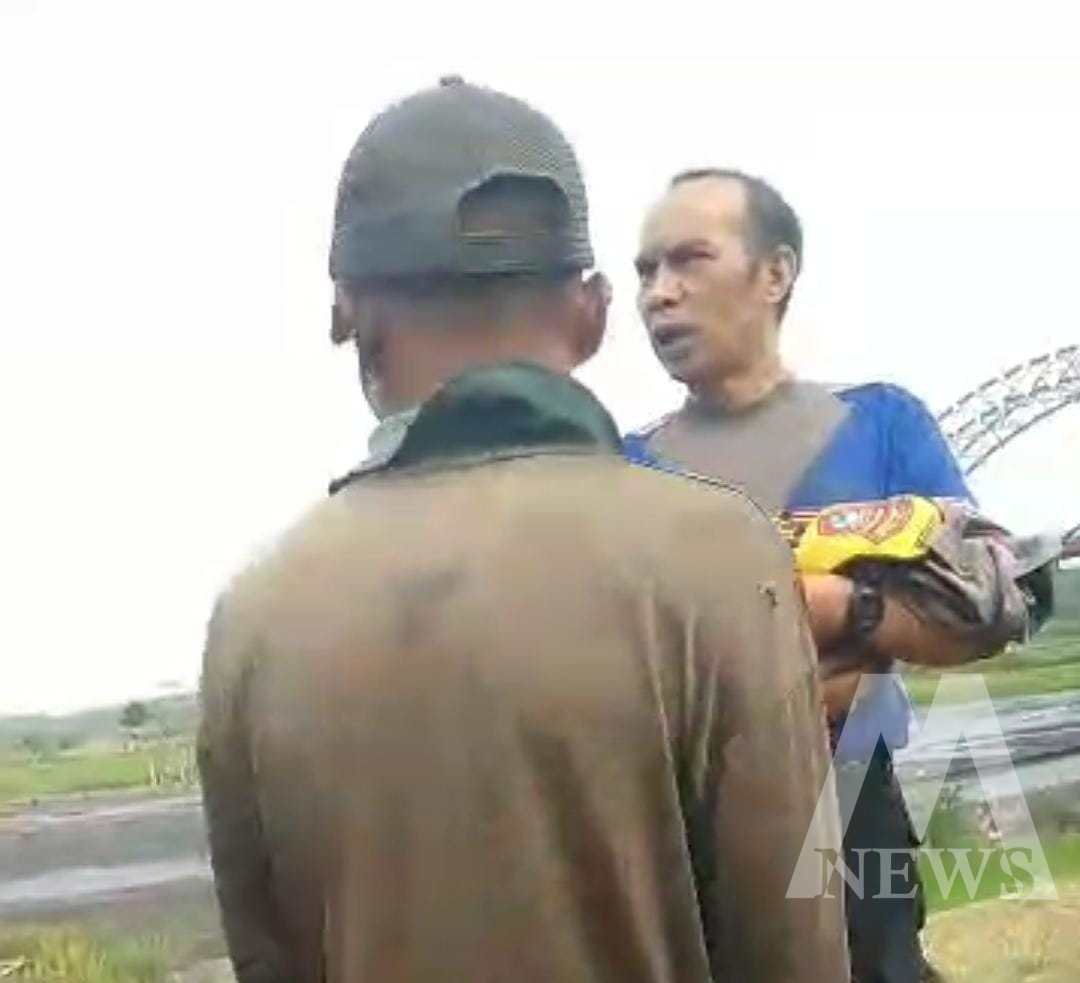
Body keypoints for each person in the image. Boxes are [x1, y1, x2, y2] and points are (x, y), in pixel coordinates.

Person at [197, 83, 850, 983]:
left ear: (348, 310)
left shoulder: (255, 615)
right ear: (593, 313)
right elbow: (796, 950)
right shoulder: (720, 559)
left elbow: (267, 957)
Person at [626, 169, 1030, 983]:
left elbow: (987, 607)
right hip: (683, 828)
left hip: (852, 810)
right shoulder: (624, 467)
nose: (659, 293)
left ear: (775, 273)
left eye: (690, 259)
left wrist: (844, 605)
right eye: (645, 271)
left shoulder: (879, 423)